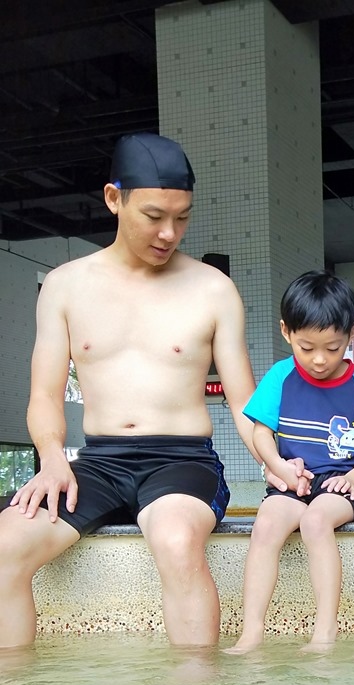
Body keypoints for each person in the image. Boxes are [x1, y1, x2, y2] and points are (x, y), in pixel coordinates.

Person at [0, 132, 267, 651]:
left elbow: (244, 403)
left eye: (182, 217)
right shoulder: (65, 286)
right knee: (5, 545)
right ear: (113, 198)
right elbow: (44, 395)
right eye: (154, 216)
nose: (170, 233)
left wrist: (272, 460)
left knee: (174, 539)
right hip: (96, 463)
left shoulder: (213, 288)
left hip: (182, 460)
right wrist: (53, 459)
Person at [226, 270, 354, 653]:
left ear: (351, 335)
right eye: (306, 347)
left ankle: (325, 631)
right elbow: (261, 432)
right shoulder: (281, 376)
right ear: (286, 332)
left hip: (338, 486)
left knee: (316, 521)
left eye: (332, 348)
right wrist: (277, 466)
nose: (319, 360)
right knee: (264, 527)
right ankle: (251, 633)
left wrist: (353, 477)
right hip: (290, 481)